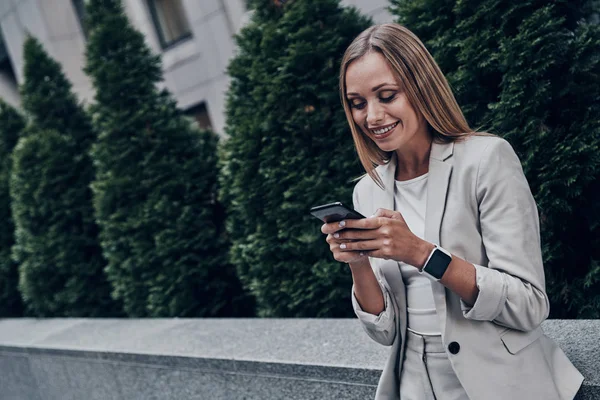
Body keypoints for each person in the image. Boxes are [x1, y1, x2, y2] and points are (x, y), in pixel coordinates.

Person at [321, 23, 583, 400]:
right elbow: (385, 332)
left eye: (387, 95)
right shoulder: (368, 190)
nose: (372, 116)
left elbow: (528, 304)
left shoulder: (486, 159)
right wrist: (358, 262)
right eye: (358, 103)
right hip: (413, 383)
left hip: (499, 382)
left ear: (420, 86)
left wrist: (422, 253)